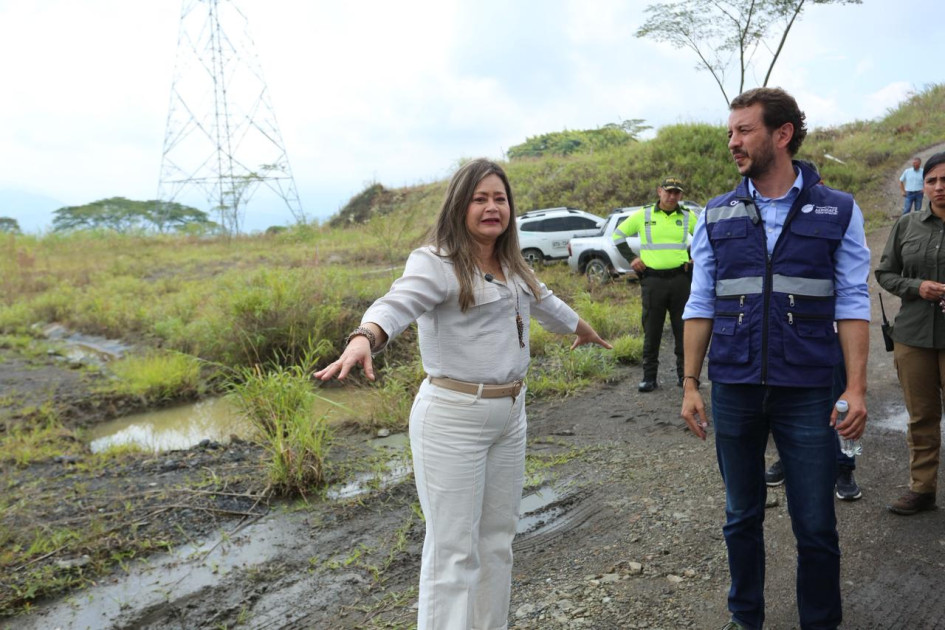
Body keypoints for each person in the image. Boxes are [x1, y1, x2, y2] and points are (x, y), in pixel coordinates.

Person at [314, 158, 611, 630]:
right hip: (453, 418)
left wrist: (583, 328)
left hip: (510, 413)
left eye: (500, 198)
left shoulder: (512, 263)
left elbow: (546, 302)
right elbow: (396, 304)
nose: (492, 207)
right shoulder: (436, 262)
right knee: (453, 551)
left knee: (497, 541)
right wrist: (363, 337)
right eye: (480, 198)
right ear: (459, 205)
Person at [680, 87, 871, 630]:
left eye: (744, 131)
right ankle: (746, 619)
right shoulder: (715, 215)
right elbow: (700, 303)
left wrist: (854, 388)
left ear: (781, 134)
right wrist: (692, 383)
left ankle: (820, 622)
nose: (733, 142)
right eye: (730, 132)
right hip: (736, 386)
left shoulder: (839, 209)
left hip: (809, 387)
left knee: (815, 524)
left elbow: (854, 301)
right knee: (740, 517)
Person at [876, 150, 945, 516]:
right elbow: (885, 273)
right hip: (913, 336)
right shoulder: (907, 226)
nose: (938, 187)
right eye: (932, 180)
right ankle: (922, 489)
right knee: (920, 417)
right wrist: (917, 287)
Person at [612, 176, 696, 392]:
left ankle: (684, 377)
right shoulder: (644, 215)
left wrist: (695, 255)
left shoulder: (687, 216)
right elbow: (618, 235)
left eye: (676, 192)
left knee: (683, 329)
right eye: (668, 191)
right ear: (659, 191)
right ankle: (649, 377)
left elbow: (706, 237)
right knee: (652, 330)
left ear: (681, 195)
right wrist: (632, 258)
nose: (672, 196)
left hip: (680, 280)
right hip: (653, 281)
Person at [764, 361, 862, 501]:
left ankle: (843, 466)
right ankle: (788, 459)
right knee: (789, 390)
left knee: (840, 395)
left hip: (829, 341)